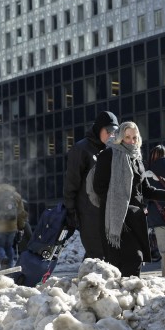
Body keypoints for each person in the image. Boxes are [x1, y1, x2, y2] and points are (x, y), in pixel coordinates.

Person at [92, 121, 165, 277]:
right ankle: (122, 297)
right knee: (130, 259)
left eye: (135, 137)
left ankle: (127, 296)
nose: (132, 141)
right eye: (127, 137)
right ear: (120, 137)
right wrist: (119, 204)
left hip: (135, 218)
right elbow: (98, 187)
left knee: (134, 261)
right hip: (117, 218)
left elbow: (146, 190)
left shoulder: (137, 159)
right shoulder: (109, 155)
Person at [63, 111, 119, 260]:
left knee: (109, 252)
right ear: (99, 128)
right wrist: (70, 209)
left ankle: (91, 280)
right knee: (96, 252)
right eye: (108, 131)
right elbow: (71, 181)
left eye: (115, 132)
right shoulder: (82, 148)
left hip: (110, 210)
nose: (111, 135)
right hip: (89, 211)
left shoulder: (114, 150)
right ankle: (90, 280)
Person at [0, 183, 28, 269]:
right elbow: (21, 213)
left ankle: (3, 258)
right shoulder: (16, 195)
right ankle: (10, 267)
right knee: (9, 246)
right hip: (11, 227)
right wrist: (20, 226)